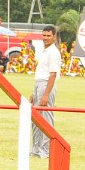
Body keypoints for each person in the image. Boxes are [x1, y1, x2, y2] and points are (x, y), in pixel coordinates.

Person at [30, 26, 60, 159]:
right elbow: (40, 73)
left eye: (48, 36)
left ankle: (46, 151)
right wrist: (34, 92)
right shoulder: (44, 51)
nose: (45, 38)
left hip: (46, 85)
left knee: (46, 119)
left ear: (54, 37)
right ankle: (36, 150)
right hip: (39, 85)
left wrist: (46, 94)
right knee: (36, 119)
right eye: (44, 35)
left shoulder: (53, 52)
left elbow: (53, 75)